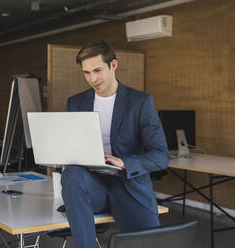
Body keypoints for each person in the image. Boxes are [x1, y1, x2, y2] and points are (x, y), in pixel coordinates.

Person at [61, 40, 170, 248]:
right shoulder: (75, 103)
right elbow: (71, 146)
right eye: (86, 73)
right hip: (92, 186)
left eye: (97, 70)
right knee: (72, 173)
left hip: (128, 185)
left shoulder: (140, 102)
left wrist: (124, 162)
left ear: (113, 65)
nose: (92, 78)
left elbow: (161, 156)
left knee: (151, 243)